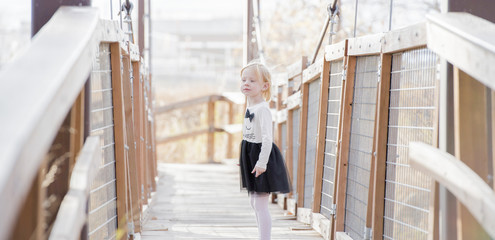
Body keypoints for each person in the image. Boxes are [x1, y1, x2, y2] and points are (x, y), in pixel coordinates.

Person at [239, 60, 291, 240]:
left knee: (260, 203)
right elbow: (249, 132)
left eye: (252, 81)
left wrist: (261, 163)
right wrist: (244, 157)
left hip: (263, 157)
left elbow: (268, 139)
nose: (246, 83)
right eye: (244, 80)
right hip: (251, 154)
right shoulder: (250, 105)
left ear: (264, 86)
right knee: (254, 201)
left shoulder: (263, 110)